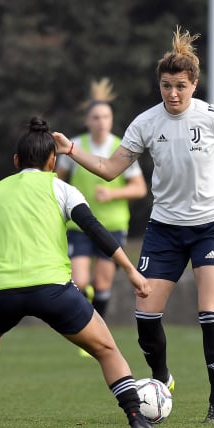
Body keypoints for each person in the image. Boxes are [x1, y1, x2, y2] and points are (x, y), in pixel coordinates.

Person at [51, 27, 214, 424]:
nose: (173, 94)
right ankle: (161, 378)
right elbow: (110, 169)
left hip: (211, 225)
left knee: (209, 313)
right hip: (165, 230)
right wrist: (72, 150)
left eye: (180, 86)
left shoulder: (212, 116)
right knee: (144, 315)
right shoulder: (145, 123)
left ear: (194, 84)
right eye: (166, 86)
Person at [0, 117, 158, 428]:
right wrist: (132, 272)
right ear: (53, 162)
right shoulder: (61, 188)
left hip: (1, 295)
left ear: (16, 161)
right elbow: (97, 231)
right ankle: (137, 417)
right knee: (106, 349)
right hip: (53, 291)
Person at [56, 78, 147, 323]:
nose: (101, 122)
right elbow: (57, 182)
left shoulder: (121, 148)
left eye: (105, 117)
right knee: (80, 280)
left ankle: (98, 328)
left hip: (112, 225)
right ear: (87, 121)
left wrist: (112, 194)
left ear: (112, 120)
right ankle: (83, 324)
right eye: (95, 117)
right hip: (80, 226)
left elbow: (140, 188)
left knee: (102, 281)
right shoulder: (73, 147)